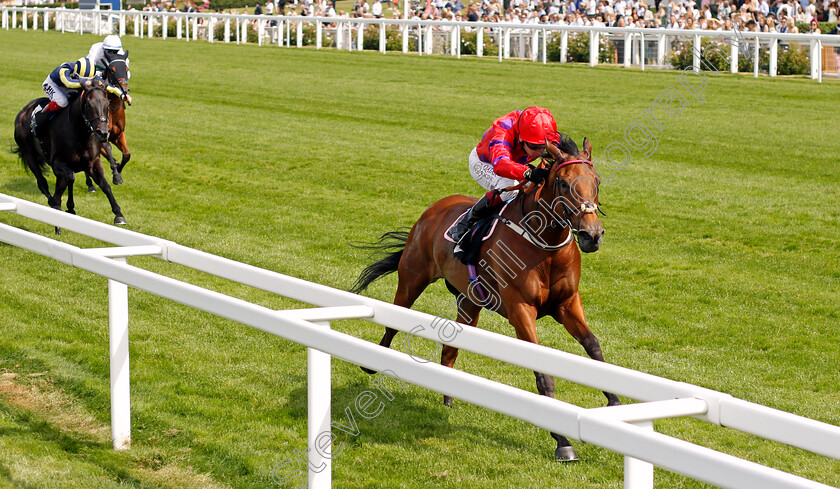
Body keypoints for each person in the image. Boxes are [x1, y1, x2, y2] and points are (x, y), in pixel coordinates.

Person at [449, 107, 560, 254]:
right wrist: (527, 172)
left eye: (543, 147)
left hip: (516, 162)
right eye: (534, 147)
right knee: (509, 188)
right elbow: (501, 165)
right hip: (486, 163)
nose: (540, 152)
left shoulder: (543, 130)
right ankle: (465, 222)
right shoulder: (503, 129)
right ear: (520, 137)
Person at [30, 58, 100, 139]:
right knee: (62, 102)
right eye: (82, 79)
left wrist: (118, 93)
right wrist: (86, 82)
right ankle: (40, 113)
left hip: (71, 86)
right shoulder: (64, 70)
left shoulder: (94, 74)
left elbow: (109, 86)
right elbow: (68, 83)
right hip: (55, 85)